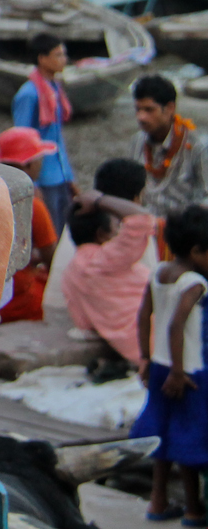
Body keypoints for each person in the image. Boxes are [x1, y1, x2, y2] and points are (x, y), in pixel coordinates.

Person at [131, 204, 208, 523]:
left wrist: (146, 358)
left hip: (161, 364)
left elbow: (143, 316)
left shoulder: (159, 272)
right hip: (187, 371)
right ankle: (193, 508)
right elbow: (178, 325)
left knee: (162, 435)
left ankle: (157, 501)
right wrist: (178, 371)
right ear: (197, 251)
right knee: (187, 437)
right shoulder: (194, 282)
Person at [61, 159, 154, 365]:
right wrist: (99, 201)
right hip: (157, 341)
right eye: (115, 228)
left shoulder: (71, 271)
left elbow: (85, 323)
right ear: (102, 234)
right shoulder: (106, 259)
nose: (119, 232)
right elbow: (141, 219)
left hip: (134, 347)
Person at [0, 127, 58, 323]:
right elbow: (52, 259)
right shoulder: (33, 206)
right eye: (39, 159)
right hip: (15, 301)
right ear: (28, 164)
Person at [10, 32, 77, 231]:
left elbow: (57, 138)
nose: (64, 59)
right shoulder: (29, 94)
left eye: (64, 54)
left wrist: (69, 176)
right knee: (50, 231)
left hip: (59, 174)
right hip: (43, 177)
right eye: (58, 55)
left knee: (64, 230)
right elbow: (21, 141)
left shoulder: (54, 89)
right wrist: (32, 184)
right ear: (42, 58)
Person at [131, 74, 208, 218]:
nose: (141, 117)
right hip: (146, 223)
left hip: (183, 225)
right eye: (138, 110)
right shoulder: (138, 140)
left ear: (170, 108)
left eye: (149, 110)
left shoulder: (198, 145)